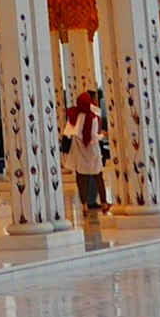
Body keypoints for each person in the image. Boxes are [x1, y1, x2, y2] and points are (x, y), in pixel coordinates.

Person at [62, 90, 109, 222]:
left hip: (78, 151)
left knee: (81, 177)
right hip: (92, 151)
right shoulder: (92, 116)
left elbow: (68, 133)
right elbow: (93, 137)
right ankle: (104, 203)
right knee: (98, 176)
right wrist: (103, 135)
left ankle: (84, 206)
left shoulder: (73, 115)